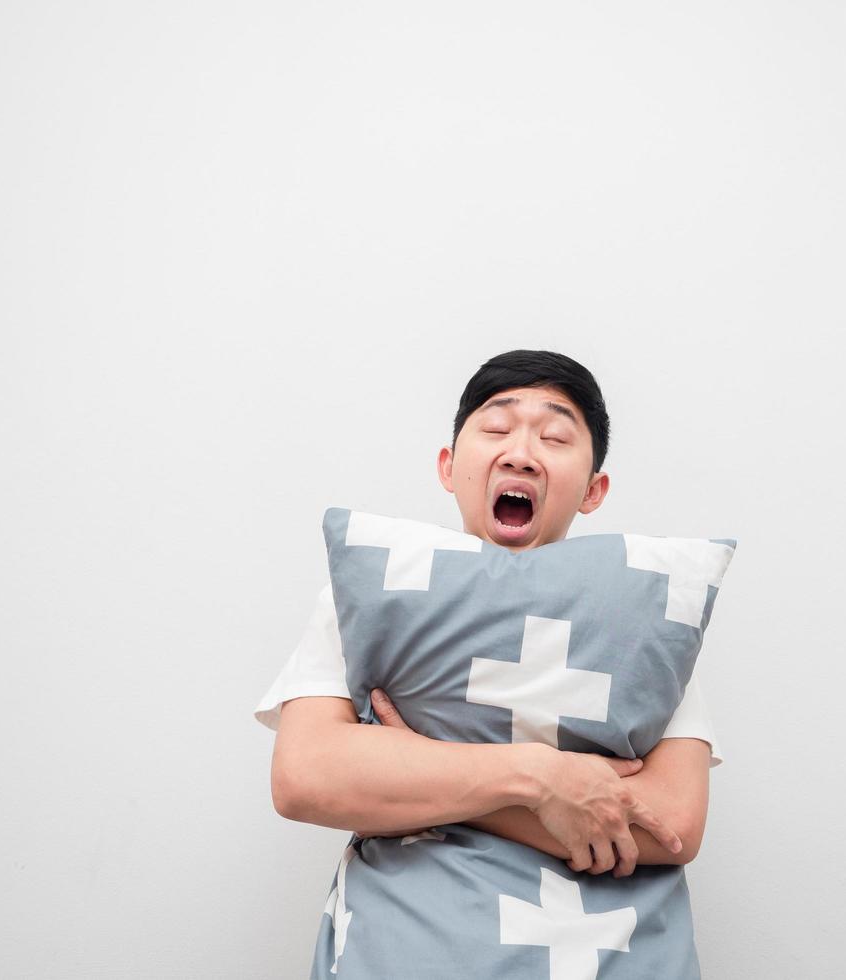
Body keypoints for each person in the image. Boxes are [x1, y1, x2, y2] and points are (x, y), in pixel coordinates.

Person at [254, 350, 723, 961]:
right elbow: (305, 778)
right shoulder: (377, 595)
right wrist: (542, 778)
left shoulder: (638, 620)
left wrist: (415, 767)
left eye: (555, 436)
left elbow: (672, 823)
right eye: (496, 428)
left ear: (594, 489)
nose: (521, 452)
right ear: (449, 467)